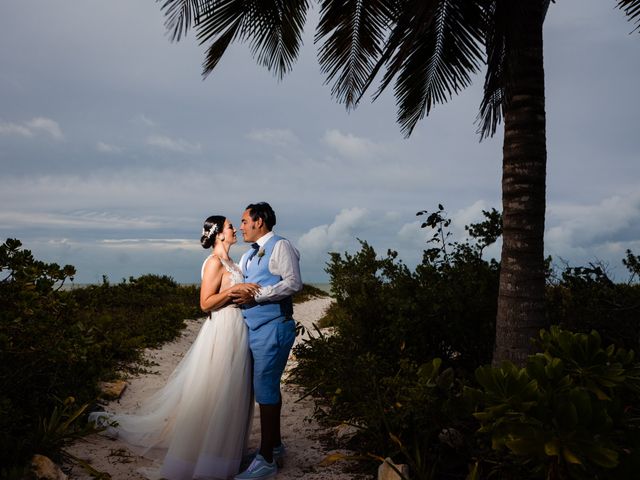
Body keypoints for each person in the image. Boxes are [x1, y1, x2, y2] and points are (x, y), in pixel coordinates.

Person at [90, 215, 258, 480]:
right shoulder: (214, 262)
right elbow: (205, 303)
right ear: (218, 234)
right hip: (223, 330)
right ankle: (206, 458)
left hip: (238, 329)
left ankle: (225, 455)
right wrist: (233, 292)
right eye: (229, 227)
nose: (235, 229)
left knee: (232, 392)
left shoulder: (233, 263)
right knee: (215, 391)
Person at [230, 202, 303, 480]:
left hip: (274, 327)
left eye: (245, 220)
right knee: (265, 388)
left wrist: (257, 296)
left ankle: (266, 460)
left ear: (259, 221)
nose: (241, 226)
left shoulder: (280, 246)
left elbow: (293, 283)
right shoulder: (248, 255)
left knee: (266, 389)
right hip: (255, 329)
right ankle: (274, 447)